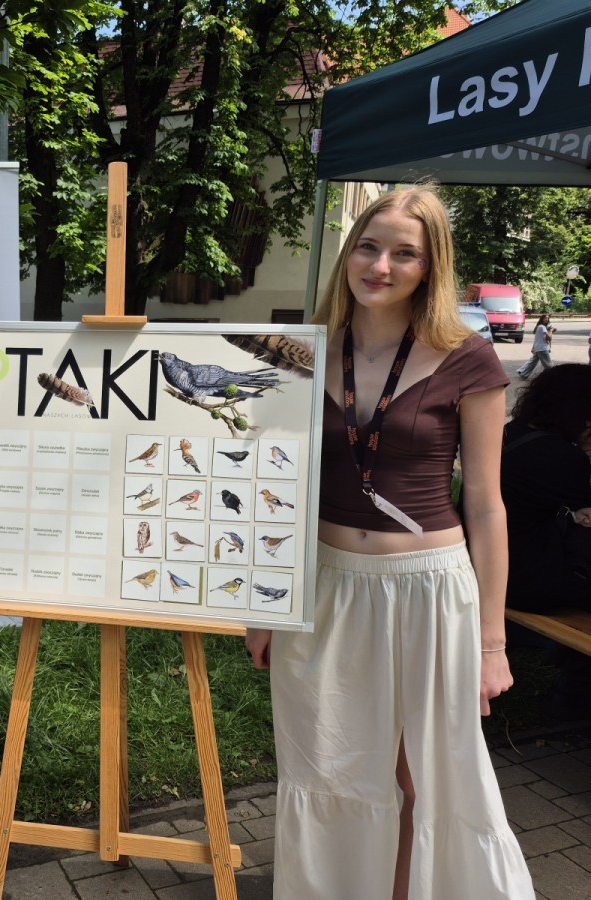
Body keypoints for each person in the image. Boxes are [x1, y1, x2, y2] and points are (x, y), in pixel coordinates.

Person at [244, 187, 534, 899]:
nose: (380, 266)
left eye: (405, 253)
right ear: (349, 253)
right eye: (369, 248)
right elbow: (275, 488)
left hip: (428, 590)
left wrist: (492, 643)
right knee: (326, 765)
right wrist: (264, 604)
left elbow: (486, 506)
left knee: (419, 776)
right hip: (325, 587)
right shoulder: (301, 354)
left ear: (430, 267)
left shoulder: (468, 359)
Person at [501, 363, 591, 613]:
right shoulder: (563, 458)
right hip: (528, 583)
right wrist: (585, 451)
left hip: (489, 568)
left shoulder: (512, 432)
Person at [516, 313, 553, 379]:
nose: (546, 319)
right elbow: (549, 337)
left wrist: (533, 347)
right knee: (548, 364)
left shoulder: (539, 327)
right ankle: (552, 376)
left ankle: (522, 372)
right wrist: (551, 331)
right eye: (545, 318)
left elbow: (538, 338)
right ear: (541, 319)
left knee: (532, 362)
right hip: (542, 349)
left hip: (538, 348)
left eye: (547, 318)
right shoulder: (542, 327)